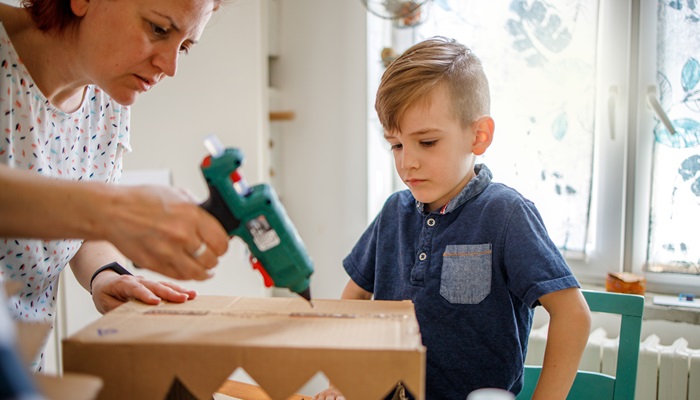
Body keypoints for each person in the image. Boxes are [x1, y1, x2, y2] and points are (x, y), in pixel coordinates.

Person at [313, 37, 592, 400]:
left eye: (426, 142)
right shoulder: (394, 213)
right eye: (396, 144)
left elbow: (574, 316)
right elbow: (353, 298)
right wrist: (344, 381)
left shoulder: (506, 214)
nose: (406, 162)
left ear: (479, 136)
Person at [0, 0, 231, 371]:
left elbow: (80, 223)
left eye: (184, 46)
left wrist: (105, 273)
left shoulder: (107, 96)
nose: (170, 67)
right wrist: (114, 209)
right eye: (158, 29)